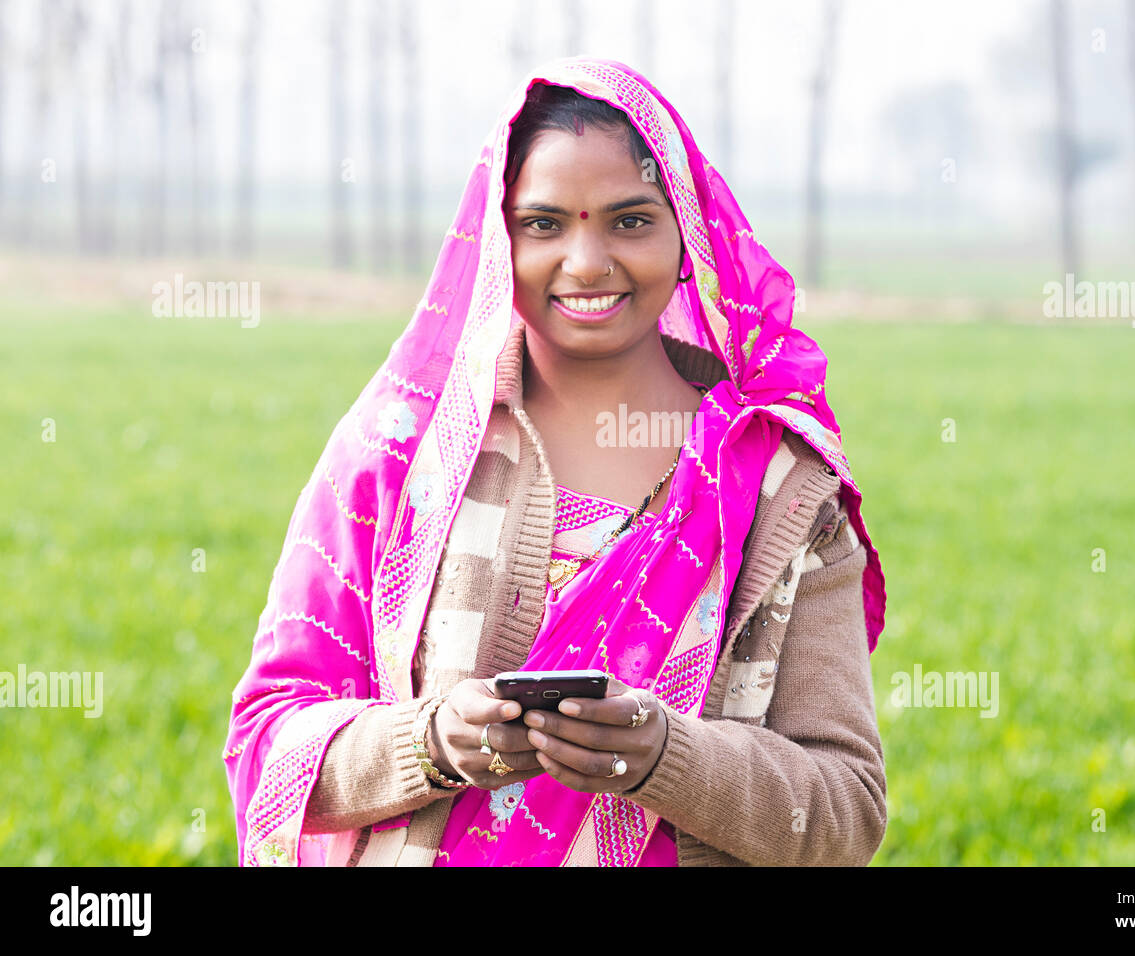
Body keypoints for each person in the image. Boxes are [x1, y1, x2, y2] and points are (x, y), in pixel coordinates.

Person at [224, 57, 887, 867]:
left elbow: (845, 808)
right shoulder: (402, 454)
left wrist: (665, 757)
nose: (586, 262)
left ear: (690, 236)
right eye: (543, 224)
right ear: (499, 241)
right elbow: (268, 747)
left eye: (630, 221)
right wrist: (429, 742)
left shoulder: (779, 488)